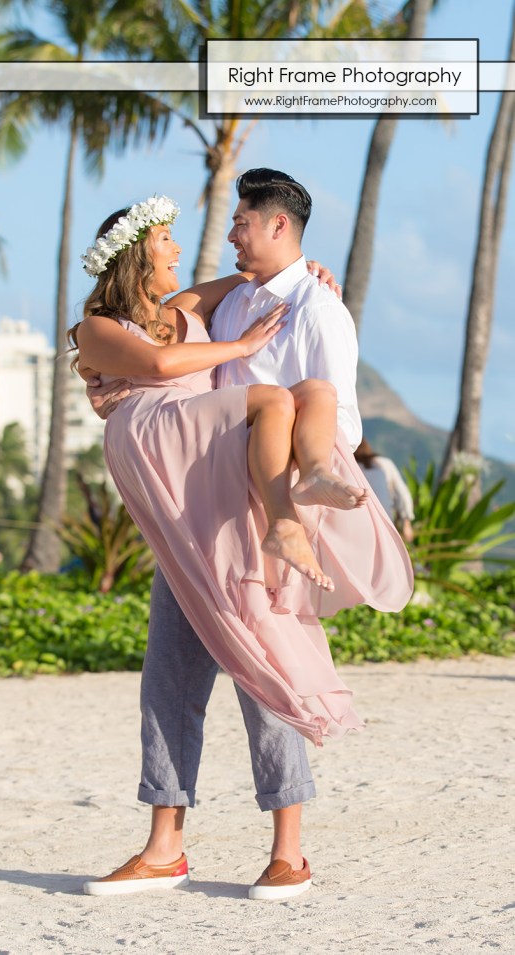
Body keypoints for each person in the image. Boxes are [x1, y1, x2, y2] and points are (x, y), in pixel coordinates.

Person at [75, 170, 414, 900]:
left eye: (240, 224)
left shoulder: (261, 306)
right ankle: (164, 845)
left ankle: (287, 851)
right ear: (136, 255)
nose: (208, 242)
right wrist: (258, 314)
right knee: (168, 678)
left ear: (276, 227)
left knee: (267, 664)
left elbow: (326, 401)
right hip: (183, 509)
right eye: (164, 240)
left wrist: (305, 277)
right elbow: (165, 361)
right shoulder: (193, 313)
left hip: (250, 510)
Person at [355, 438, 415, 543]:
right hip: (385, 520)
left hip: (357, 523)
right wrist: (406, 523)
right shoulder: (385, 463)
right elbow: (402, 493)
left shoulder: (351, 466)